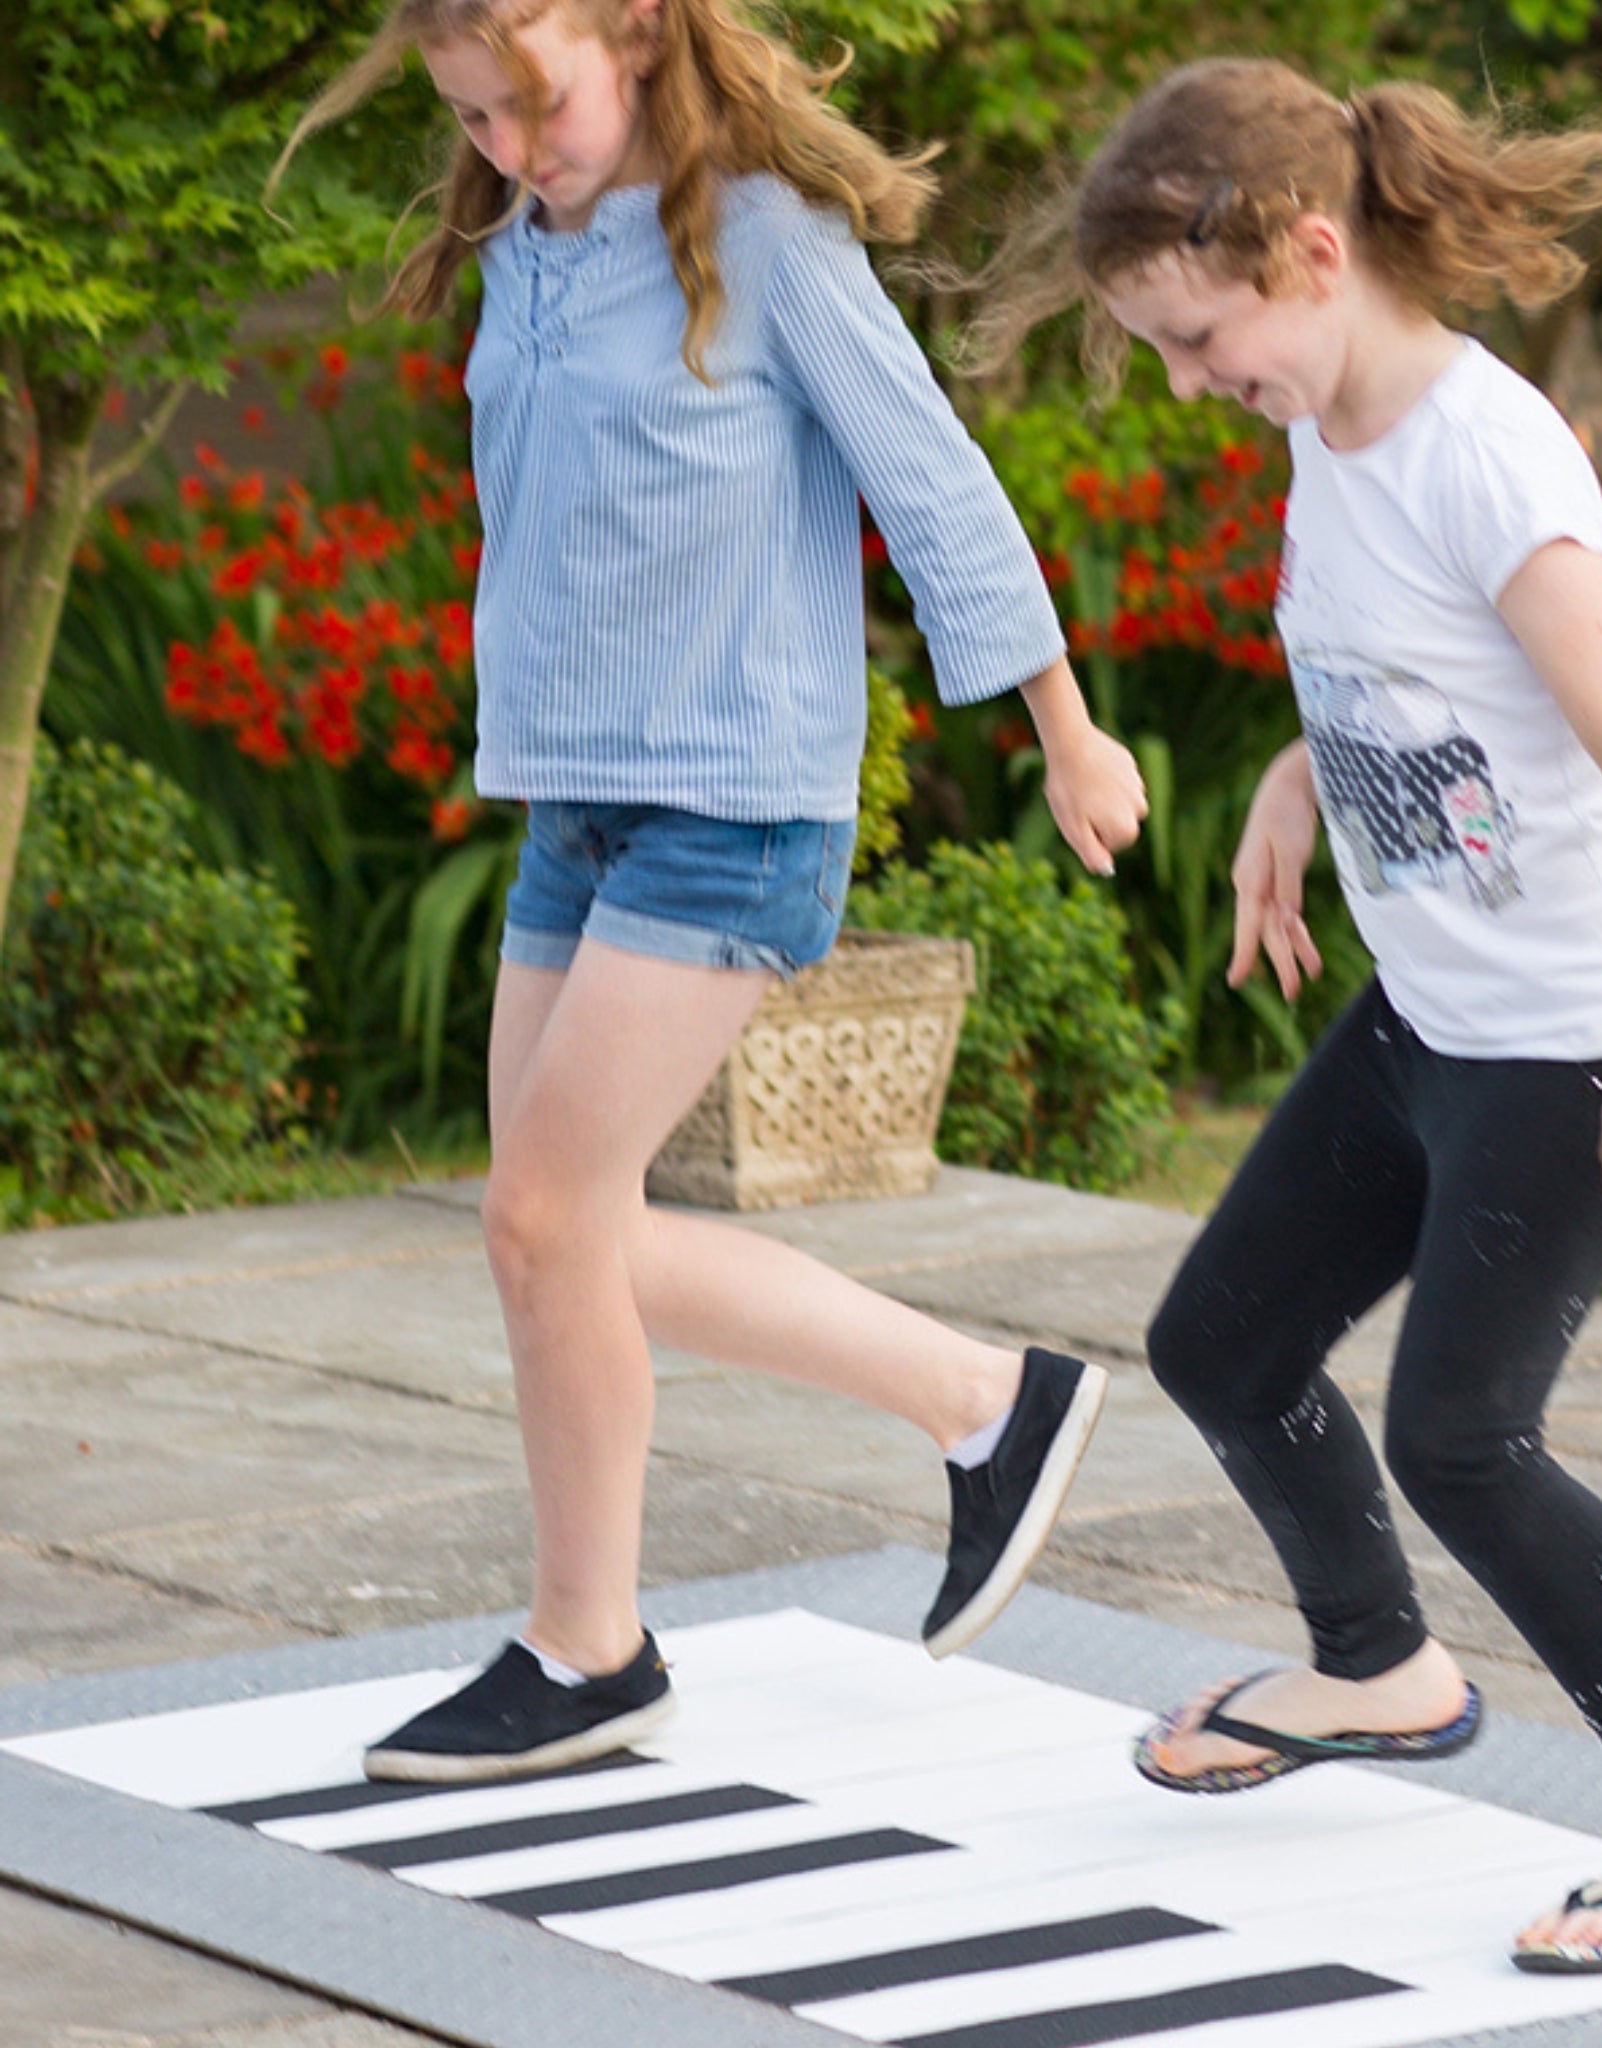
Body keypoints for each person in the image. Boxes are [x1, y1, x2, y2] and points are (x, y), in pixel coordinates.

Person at [966, 58, 1602, 1976]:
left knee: (1464, 1436)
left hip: (1580, 1033)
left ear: (1313, 252)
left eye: (1197, 338)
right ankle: (1381, 1669)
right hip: (1434, 1014)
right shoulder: (1327, 425)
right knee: (1224, 1341)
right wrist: (1295, 783)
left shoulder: (1483, 458)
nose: (1191, 381)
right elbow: (1408, 669)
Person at [275, 0, 1147, 1785]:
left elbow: (932, 477)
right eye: (473, 120)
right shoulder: (524, 233)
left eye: (537, 108)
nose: (510, 153)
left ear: (641, 32)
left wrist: (1067, 729)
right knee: (554, 1244)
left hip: (735, 799)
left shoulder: (761, 235)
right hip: (578, 803)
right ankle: (984, 1403)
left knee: (543, 1225)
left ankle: (590, 1643)